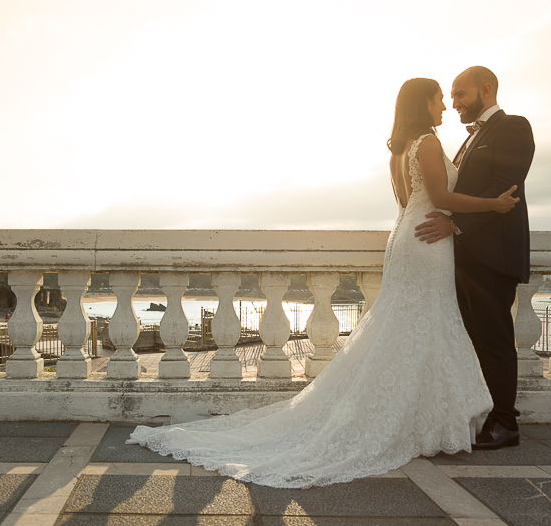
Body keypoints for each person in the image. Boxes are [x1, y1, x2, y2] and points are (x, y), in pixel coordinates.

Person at [127, 77, 518, 488]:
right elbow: (439, 198)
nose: (444, 107)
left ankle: (417, 415)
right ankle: (423, 419)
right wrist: (493, 204)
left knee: (408, 324)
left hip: (405, 237)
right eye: (440, 99)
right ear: (424, 101)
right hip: (427, 241)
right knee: (426, 321)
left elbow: (410, 202)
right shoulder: (429, 143)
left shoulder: (399, 149)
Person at [414, 66, 535, 450]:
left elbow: (505, 190)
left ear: (486, 89)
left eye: (461, 94)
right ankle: (480, 413)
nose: (455, 103)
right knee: (471, 339)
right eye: (450, 96)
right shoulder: (469, 139)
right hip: (466, 257)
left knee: (496, 339)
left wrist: (454, 224)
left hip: (494, 256)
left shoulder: (514, 127)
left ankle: (505, 422)